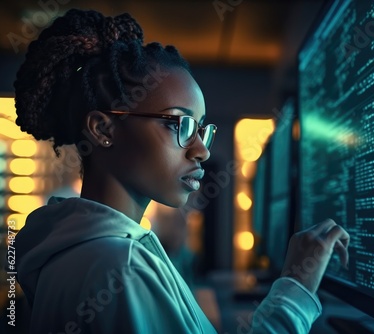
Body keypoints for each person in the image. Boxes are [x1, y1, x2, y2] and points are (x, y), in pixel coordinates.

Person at [12, 9, 350, 333]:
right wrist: (295, 288)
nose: (202, 150)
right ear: (103, 130)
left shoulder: (72, 249)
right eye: (180, 124)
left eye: (202, 129)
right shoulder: (121, 265)